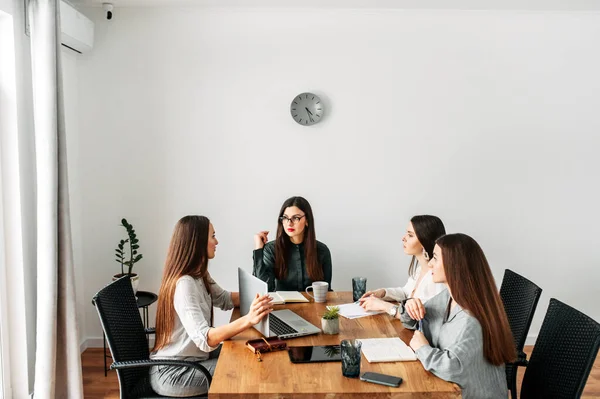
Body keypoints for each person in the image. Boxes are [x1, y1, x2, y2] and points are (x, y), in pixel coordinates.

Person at [150, 216, 273, 397]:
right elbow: (205, 339)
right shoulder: (185, 284)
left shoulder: (199, 274)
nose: (217, 241)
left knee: (252, 352)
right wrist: (248, 319)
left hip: (196, 359)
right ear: (198, 241)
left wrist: (261, 299)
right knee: (247, 368)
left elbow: (224, 298)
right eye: (213, 236)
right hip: (175, 372)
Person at [401, 233, 515, 399]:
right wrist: (410, 306)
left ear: (454, 265)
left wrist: (422, 348)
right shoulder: (448, 297)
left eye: (435, 258)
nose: (430, 264)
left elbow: (452, 368)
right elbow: (418, 319)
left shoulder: (472, 320)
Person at [359, 215, 446, 315]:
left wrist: (383, 306)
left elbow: (421, 317)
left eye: (410, 235)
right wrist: (383, 293)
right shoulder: (419, 270)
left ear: (424, 240)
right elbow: (406, 293)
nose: (403, 238)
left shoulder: (436, 278)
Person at [253, 196, 332, 292]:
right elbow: (265, 290)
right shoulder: (271, 250)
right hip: (282, 306)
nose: (289, 223)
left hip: (313, 305)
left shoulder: (322, 250)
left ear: (307, 220)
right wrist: (258, 250)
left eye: (295, 218)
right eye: (285, 218)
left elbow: (326, 291)